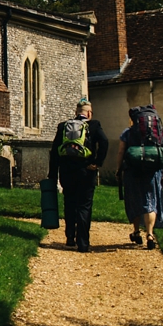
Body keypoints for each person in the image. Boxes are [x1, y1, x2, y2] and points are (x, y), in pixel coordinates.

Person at [48, 99, 109, 252]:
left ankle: (70, 237)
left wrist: (53, 174)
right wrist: (97, 163)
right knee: (84, 206)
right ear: (89, 113)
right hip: (86, 171)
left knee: (69, 202)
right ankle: (82, 243)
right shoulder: (94, 125)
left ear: (76, 113)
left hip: (67, 171)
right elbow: (105, 142)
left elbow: (55, 151)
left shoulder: (63, 126)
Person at [116, 109, 163, 249]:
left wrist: (119, 169)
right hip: (153, 171)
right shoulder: (157, 133)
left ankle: (136, 232)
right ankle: (149, 234)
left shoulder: (128, 132)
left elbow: (121, 151)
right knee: (151, 201)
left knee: (134, 201)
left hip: (132, 170)